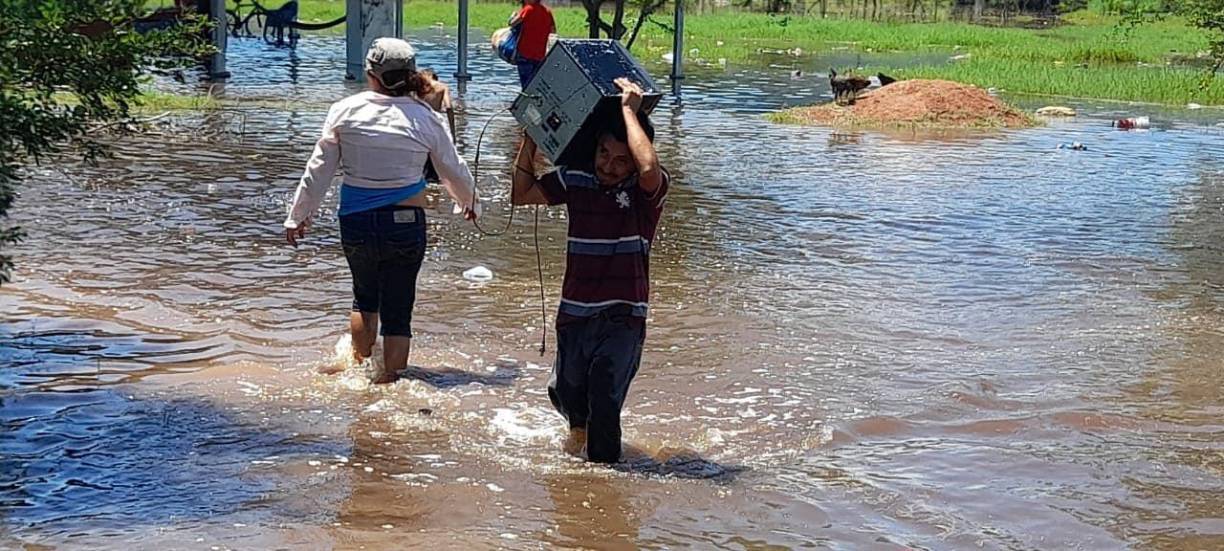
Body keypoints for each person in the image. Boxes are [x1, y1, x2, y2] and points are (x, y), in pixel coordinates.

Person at [284, 38, 479, 384]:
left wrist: (298, 216)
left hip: (356, 223)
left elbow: (318, 170)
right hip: (405, 224)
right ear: (411, 75)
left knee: (364, 298)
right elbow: (453, 168)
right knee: (398, 310)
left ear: (372, 74)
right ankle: (390, 382)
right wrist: (469, 202)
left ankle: (359, 372)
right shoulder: (426, 117)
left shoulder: (344, 110)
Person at [510, 78, 669, 463]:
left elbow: (648, 165)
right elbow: (521, 192)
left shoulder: (645, 194)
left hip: (623, 316)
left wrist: (629, 111)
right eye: (603, 154)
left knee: (605, 398)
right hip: (575, 313)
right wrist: (531, 138)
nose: (608, 166)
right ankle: (579, 441)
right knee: (568, 396)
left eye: (619, 160)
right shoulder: (576, 179)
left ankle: (603, 483)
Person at [509, 0, 555, 89]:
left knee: (526, 84)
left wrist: (513, 17)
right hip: (540, 55)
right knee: (535, 84)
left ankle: (525, 101)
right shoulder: (547, 12)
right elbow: (553, 30)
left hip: (525, 53)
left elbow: (513, 23)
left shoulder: (528, 9)